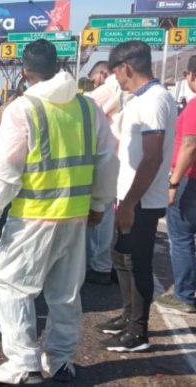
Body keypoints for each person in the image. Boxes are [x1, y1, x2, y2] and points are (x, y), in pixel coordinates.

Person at [0, 39, 117, 384]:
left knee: (12, 286)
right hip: (74, 218)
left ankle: (22, 365)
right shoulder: (88, 108)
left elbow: (8, 169)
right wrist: (99, 204)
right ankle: (61, 362)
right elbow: (107, 161)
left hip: (33, 218)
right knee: (65, 292)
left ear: (24, 72)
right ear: (59, 66)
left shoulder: (22, 109)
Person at [97, 40, 177, 352]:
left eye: (115, 72)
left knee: (137, 262)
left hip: (141, 199)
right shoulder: (141, 99)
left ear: (126, 67)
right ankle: (128, 316)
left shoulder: (153, 101)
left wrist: (130, 202)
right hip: (130, 195)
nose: (114, 78)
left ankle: (138, 331)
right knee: (120, 256)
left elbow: (153, 158)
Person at [84, 61, 133, 285]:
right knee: (105, 215)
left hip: (105, 157)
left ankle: (99, 265)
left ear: (103, 73)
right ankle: (102, 263)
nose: (94, 83)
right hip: (117, 157)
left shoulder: (108, 88)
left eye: (94, 79)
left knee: (100, 215)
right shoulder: (123, 90)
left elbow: (86, 110)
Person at [155, 55, 196, 314]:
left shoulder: (193, 107)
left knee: (181, 238)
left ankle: (185, 294)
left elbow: (190, 144)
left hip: (189, 181)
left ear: (191, 75)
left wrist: (172, 183)